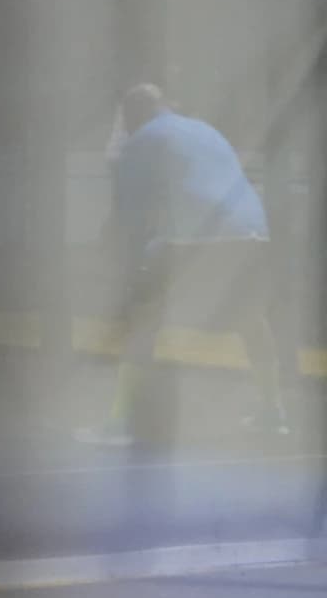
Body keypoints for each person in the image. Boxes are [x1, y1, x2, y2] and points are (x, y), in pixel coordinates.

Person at [77, 84, 288, 446]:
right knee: (251, 319)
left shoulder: (141, 138)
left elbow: (129, 216)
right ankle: (273, 414)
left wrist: (121, 260)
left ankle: (118, 423)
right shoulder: (204, 129)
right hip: (252, 231)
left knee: (144, 321)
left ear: (130, 116)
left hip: (191, 238)